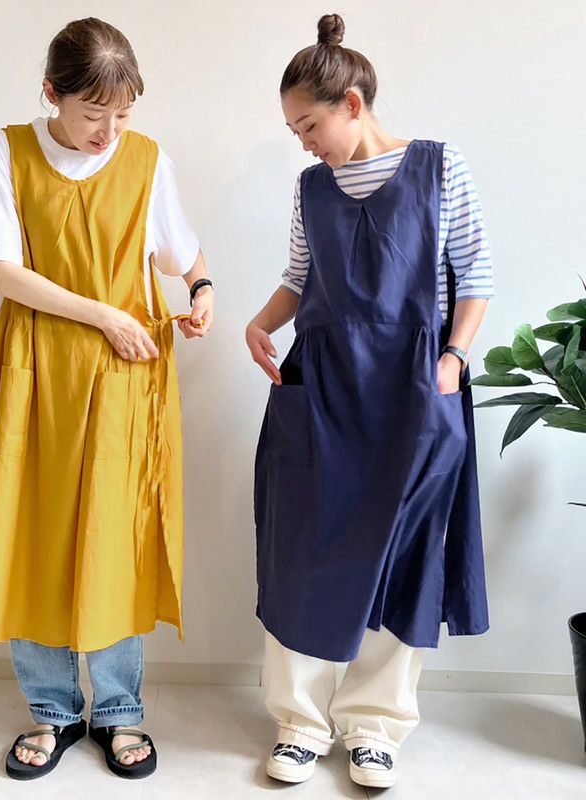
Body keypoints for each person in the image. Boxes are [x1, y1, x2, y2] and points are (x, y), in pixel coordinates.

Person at [0, 17, 213, 781]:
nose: (109, 131)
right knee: (32, 532)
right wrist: (103, 314)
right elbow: (2, 271)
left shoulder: (147, 160)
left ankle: (120, 711)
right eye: (94, 113)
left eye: (123, 114)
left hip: (123, 378)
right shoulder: (6, 151)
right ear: (51, 94)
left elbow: (180, 250)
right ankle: (53, 710)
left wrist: (201, 287)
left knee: (115, 540)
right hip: (36, 370)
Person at [247, 12, 491, 790]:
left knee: (402, 554)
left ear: (352, 103)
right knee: (301, 550)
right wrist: (260, 322)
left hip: (417, 390)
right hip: (322, 389)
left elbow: (476, 276)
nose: (304, 143)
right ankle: (299, 722)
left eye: (309, 126)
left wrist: (452, 361)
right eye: (294, 131)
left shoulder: (441, 167)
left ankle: (374, 728)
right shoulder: (310, 188)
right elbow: (298, 278)